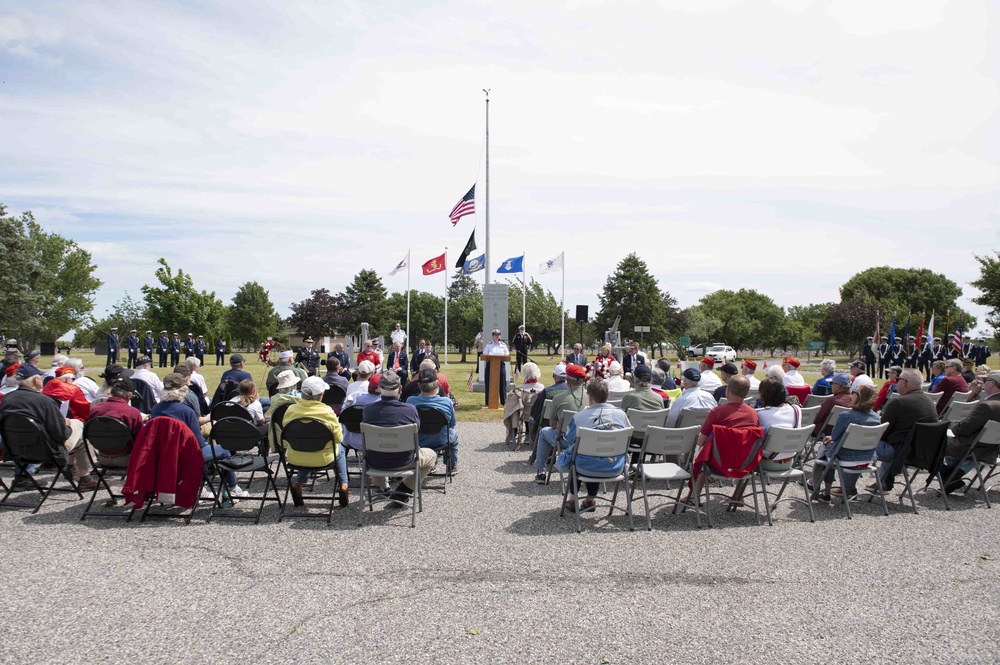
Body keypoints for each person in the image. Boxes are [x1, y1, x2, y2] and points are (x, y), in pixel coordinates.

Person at [0, 364, 96, 490]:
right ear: (36, 379)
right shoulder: (44, 401)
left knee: (26, 433)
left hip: (15, 449)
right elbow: (61, 434)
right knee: (80, 431)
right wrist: (67, 425)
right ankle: (84, 477)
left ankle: (23, 476)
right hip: (45, 452)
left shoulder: (7, 399)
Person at [555, 378, 631, 513]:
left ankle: (573, 499)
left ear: (589, 396)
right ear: (608, 395)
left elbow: (569, 439)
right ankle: (590, 499)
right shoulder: (622, 415)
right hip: (615, 465)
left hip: (585, 466)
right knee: (594, 453)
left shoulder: (579, 417)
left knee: (581, 454)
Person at [362, 371, 437, 507]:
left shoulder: (368, 410)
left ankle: (383, 485)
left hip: (375, 461)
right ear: (400, 388)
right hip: (405, 460)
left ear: (379, 388)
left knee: (378, 450)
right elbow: (416, 432)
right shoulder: (410, 410)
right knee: (431, 456)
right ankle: (402, 493)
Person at [685, 375, 759, 502]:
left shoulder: (717, 412)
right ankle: (738, 495)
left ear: (728, 390)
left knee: (704, 458)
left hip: (719, 463)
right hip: (745, 464)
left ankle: (694, 496)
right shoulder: (753, 414)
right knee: (744, 450)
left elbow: (700, 440)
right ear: (747, 393)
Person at [280, 376, 349, 507]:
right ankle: (344, 483)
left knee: (307, 446)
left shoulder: (291, 410)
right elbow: (339, 438)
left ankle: (298, 483)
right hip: (322, 458)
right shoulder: (327, 412)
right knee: (340, 448)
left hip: (296, 457)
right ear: (320, 395)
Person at [870, 368, 939, 491]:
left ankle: (848, 487)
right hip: (921, 452)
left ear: (904, 382)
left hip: (900, 453)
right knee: (895, 439)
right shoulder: (929, 402)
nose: (896, 382)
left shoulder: (898, 402)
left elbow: (881, 431)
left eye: (898, 379)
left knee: (857, 443)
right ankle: (883, 482)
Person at [809, 384, 881, 501]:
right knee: (831, 450)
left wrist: (831, 438)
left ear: (857, 397)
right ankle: (848, 488)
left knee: (826, 451)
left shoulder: (846, 416)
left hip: (846, 459)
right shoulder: (876, 418)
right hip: (867, 459)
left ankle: (822, 490)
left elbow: (836, 436)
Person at [938, 370, 1000, 492]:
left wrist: (953, 425)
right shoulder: (991, 404)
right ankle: (951, 477)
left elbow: (964, 428)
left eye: (985, 381)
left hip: (970, 448)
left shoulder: (987, 406)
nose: (982, 383)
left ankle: (948, 475)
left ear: (992, 383)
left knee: (932, 443)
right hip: (990, 450)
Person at [532, 364, 588, 483]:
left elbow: (553, 424)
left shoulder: (558, 398)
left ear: (567, 381)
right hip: (588, 439)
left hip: (567, 439)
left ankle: (541, 470)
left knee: (543, 432)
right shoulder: (591, 396)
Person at [407, 367, 460, 474]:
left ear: (419, 386)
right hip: (441, 439)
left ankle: (429, 464)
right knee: (453, 435)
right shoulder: (446, 402)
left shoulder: (411, 401)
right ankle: (451, 466)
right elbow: (452, 424)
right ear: (437, 384)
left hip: (418, 440)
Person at [87, 377, 145, 466]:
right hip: (126, 458)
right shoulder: (132, 412)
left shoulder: (96, 409)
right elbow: (139, 440)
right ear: (128, 395)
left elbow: (89, 434)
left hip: (102, 457)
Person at [755, 378, 802, 473]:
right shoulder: (797, 410)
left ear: (764, 396)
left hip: (766, 462)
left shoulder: (762, 414)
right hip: (790, 460)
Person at [525, 363, 569, 455]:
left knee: (532, 420)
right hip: (570, 429)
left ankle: (536, 452)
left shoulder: (547, 392)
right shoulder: (575, 393)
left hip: (550, 426)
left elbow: (534, 413)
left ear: (554, 376)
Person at [503, 361, 545, 445]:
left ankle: (514, 434)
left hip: (521, 415)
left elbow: (508, 409)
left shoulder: (517, 390)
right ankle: (529, 435)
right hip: (537, 415)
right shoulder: (542, 388)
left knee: (512, 410)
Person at [812, 372, 853, 438]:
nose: (831, 385)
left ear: (837, 387)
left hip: (825, 432)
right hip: (844, 432)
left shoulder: (832, 400)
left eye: (831, 383)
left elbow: (817, 418)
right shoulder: (854, 400)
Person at [482, 329, 509, 407]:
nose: (497, 336)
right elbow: (484, 355)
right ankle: (488, 401)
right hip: (490, 365)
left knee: (502, 383)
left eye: (498, 335)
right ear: (492, 336)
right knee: (489, 383)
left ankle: (503, 402)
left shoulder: (503, 345)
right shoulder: (489, 345)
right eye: (495, 335)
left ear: (500, 336)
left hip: (500, 365)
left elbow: (507, 355)